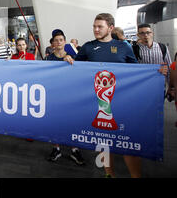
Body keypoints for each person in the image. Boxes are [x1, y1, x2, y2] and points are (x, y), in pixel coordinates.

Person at [64, 13, 140, 178]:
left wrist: (157, 72)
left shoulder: (124, 46)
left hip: (122, 101)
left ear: (110, 28)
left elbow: (138, 72)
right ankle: (108, 174)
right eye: (94, 26)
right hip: (99, 104)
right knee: (103, 141)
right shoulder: (88, 47)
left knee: (128, 142)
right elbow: (76, 67)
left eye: (100, 27)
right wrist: (69, 58)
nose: (96, 29)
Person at [45, 29, 85, 165]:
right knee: (54, 124)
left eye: (61, 40)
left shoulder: (74, 56)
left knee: (72, 123)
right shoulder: (49, 58)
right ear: (52, 43)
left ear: (65, 41)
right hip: (54, 96)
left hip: (70, 96)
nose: (58, 42)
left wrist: (72, 61)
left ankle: (75, 149)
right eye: (56, 40)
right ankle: (56, 149)